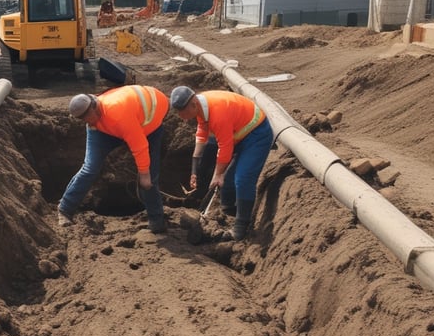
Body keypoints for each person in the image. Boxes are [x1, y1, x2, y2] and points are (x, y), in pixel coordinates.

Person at [58, 85, 169, 233]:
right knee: (90, 168)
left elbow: (139, 145)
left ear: (94, 107)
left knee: (149, 178)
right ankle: (65, 209)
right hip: (108, 127)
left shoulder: (118, 114)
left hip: (148, 126)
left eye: (85, 117)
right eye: (80, 119)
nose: (84, 121)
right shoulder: (92, 120)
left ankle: (156, 221)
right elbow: (93, 121)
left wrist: (144, 173)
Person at [170, 86, 273, 240]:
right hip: (239, 133)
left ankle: (240, 228)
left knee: (243, 179)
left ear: (192, 104)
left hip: (257, 135)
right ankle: (228, 214)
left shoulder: (218, 114)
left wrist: (218, 175)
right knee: (229, 184)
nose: (182, 117)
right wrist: (195, 164)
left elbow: (225, 147)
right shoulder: (200, 105)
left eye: (182, 112)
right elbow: (202, 130)